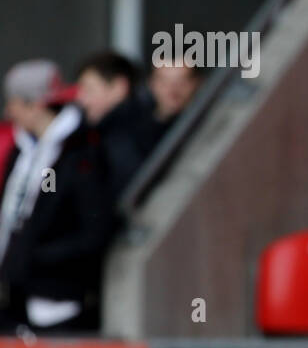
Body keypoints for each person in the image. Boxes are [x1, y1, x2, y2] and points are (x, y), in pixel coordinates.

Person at [1, 60, 114, 333]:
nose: (9, 111)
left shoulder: (81, 154)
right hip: (17, 300)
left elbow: (92, 232)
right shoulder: (22, 150)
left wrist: (31, 257)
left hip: (59, 303)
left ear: (35, 104)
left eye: (14, 102)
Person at [74, 51, 153, 203]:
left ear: (119, 87)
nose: (82, 100)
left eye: (89, 90)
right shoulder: (102, 135)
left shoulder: (125, 138)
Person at [144, 57, 201, 148]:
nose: (172, 91)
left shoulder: (209, 126)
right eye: (164, 81)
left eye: (182, 82)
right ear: (151, 83)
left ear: (197, 82)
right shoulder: (128, 134)